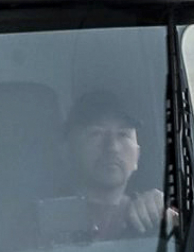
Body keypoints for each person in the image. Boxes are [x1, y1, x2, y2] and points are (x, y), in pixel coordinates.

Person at [40, 91, 177, 243]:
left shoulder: (155, 216)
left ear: (138, 155)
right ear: (67, 151)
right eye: (96, 134)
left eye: (123, 134)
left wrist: (170, 219)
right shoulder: (39, 221)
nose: (113, 147)